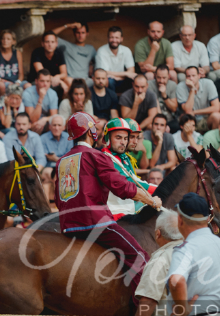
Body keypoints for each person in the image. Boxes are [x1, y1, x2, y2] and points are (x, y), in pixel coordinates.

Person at [54, 112, 161, 291]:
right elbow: (122, 187)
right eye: (94, 129)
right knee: (140, 258)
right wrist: (151, 201)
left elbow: (59, 199)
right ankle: (144, 307)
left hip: (67, 225)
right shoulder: (96, 155)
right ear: (90, 133)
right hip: (95, 223)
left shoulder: (62, 161)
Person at [101, 118, 151, 217]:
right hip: (114, 213)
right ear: (107, 138)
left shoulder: (125, 158)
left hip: (127, 209)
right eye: (132, 137)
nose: (135, 141)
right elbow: (132, 183)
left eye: (126, 138)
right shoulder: (106, 158)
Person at [176, 66, 220, 132]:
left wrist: (195, 112)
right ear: (185, 77)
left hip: (207, 118)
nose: (191, 78)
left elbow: (216, 108)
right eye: (188, 76)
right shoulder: (181, 86)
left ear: (199, 76)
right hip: (191, 118)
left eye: (193, 76)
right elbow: (188, 111)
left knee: (217, 116)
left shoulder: (208, 83)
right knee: (188, 116)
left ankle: (212, 139)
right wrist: (192, 89)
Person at [93, 26, 135, 92]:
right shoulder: (101, 51)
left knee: (133, 79)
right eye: (111, 37)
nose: (114, 40)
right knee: (109, 81)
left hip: (122, 79)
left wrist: (119, 77)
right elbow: (103, 72)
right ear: (108, 38)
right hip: (109, 80)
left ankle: (128, 101)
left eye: (117, 37)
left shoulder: (126, 50)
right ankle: (112, 101)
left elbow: (131, 71)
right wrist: (126, 74)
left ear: (121, 39)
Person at [30, 31, 71, 96]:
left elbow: (64, 74)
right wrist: (60, 82)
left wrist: (58, 76)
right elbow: (41, 73)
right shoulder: (37, 52)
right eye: (47, 42)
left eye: (52, 42)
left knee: (70, 81)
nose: (50, 45)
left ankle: (66, 105)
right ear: (42, 43)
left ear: (56, 44)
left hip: (54, 80)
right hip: (40, 81)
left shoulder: (59, 52)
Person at [22, 70, 59, 134]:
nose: (45, 84)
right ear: (36, 81)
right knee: (34, 125)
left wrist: (44, 119)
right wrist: (41, 98)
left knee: (54, 123)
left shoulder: (53, 94)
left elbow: (54, 116)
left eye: (48, 81)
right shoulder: (27, 93)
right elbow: (32, 119)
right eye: (42, 81)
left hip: (45, 123)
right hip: (32, 124)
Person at [148, 65, 180, 131]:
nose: (161, 81)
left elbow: (174, 108)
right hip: (154, 119)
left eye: (164, 78)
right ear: (155, 75)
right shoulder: (149, 85)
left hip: (169, 119)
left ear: (169, 76)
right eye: (159, 77)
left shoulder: (172, 85)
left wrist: (164, 95)